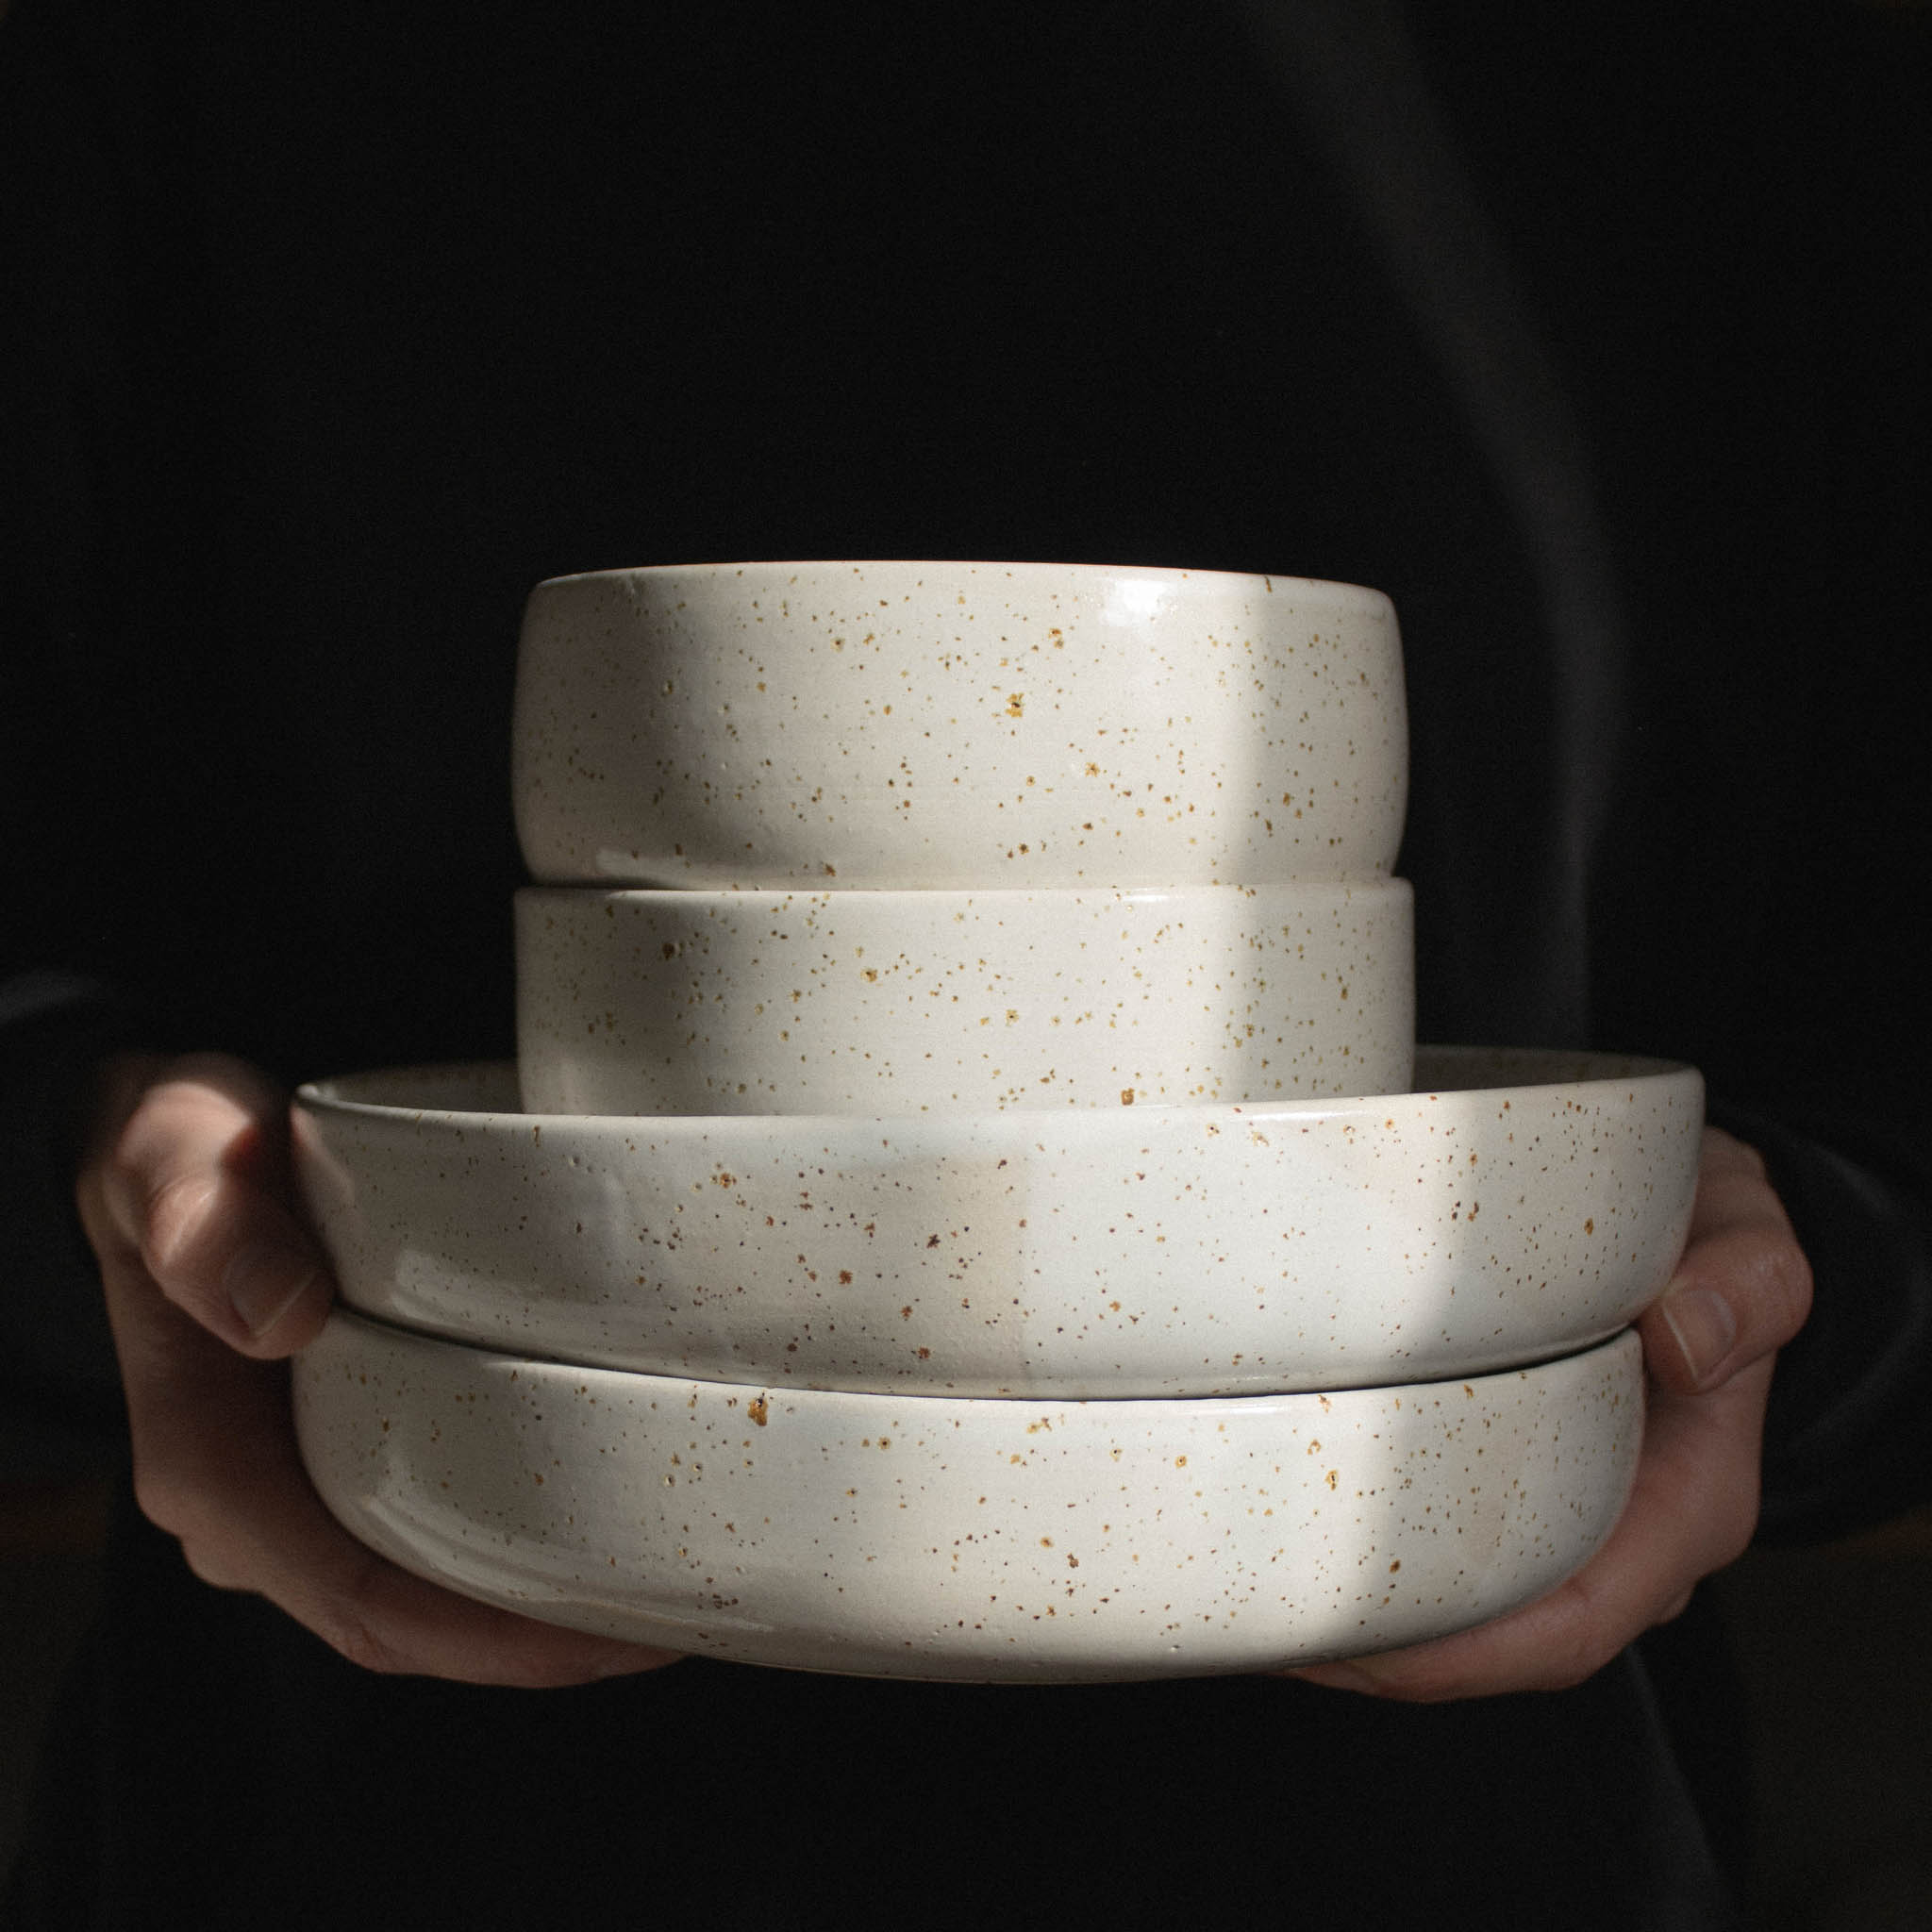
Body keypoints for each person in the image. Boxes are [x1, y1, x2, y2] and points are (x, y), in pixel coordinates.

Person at [3, 1, 1926, 1924]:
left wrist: (1794, 1298)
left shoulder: (1756, 77)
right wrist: (92, 1200)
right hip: (351, 1825)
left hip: (1493, 1845)